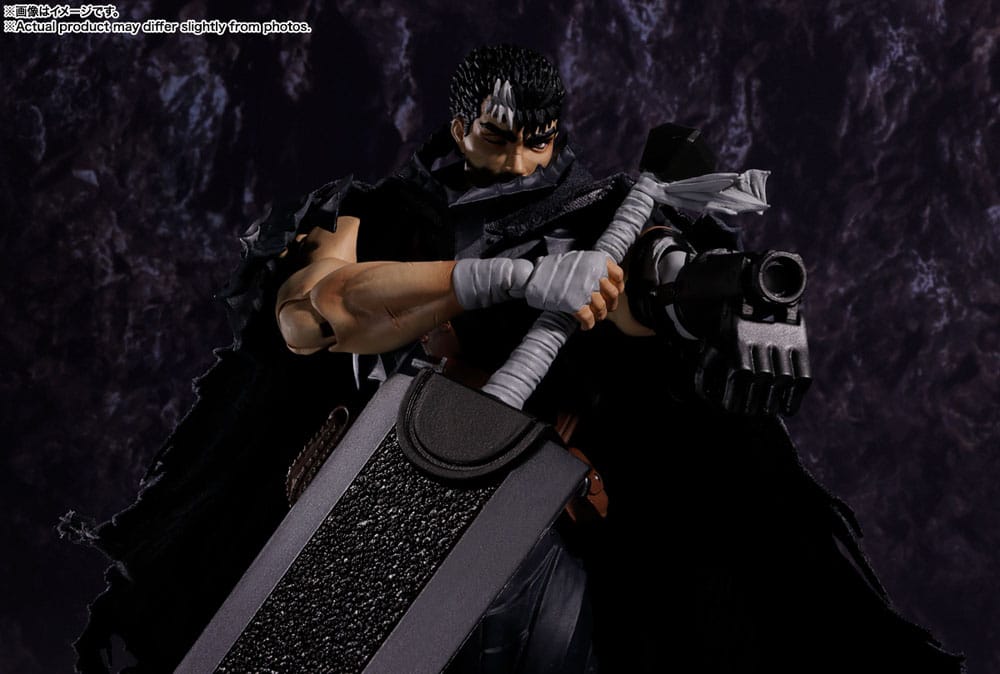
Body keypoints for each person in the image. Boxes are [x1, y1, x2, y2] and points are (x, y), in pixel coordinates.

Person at [66, 44, 962, 673]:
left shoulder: (603, 217)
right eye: (500, 137)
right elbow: (315, 316)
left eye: (540, 139)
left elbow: (659, 290)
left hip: (535, 537)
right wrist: (507, 277)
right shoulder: (369, 211)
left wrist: (742, 313)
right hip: (363, 504)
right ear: (461, 124)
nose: (523, 160)